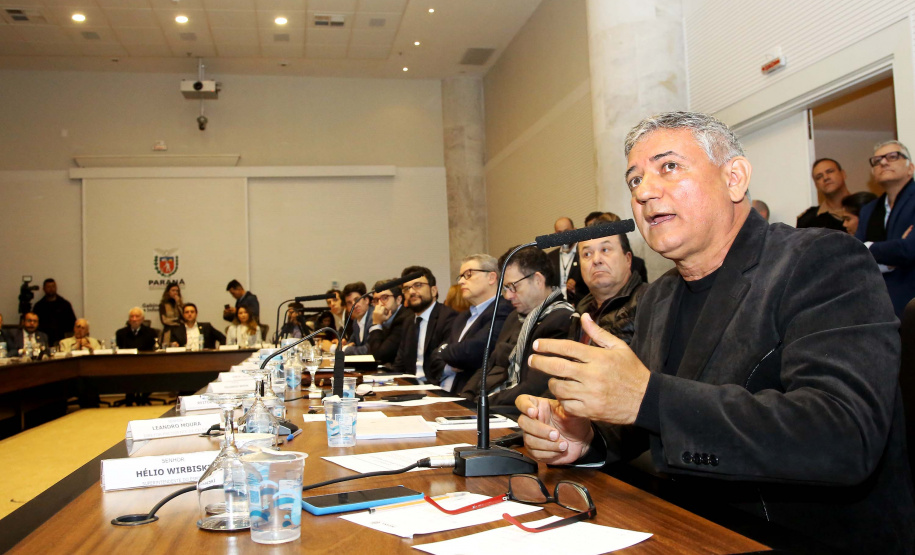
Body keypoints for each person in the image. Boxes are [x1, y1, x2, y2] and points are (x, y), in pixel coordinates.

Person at [515, 111, 914, 554]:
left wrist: (646, 398)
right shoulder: (659, 296)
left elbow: (844, 436)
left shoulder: (822, 260)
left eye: (669, 167)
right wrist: (586, 438)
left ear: (734, 178)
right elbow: (648, 418)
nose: (644, 192)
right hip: (679, 527)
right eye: (633, 181)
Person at [459, 246, 574, 406]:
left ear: (538, 280)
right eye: (506, 288)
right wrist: (464, 399)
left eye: (513, 287)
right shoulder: (515, 317)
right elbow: (488, 365)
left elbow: (533, 388)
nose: (508, 296)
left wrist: (482, 404)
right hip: (491, 404)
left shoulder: (560, 319)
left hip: (516, 411)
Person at [430, 254, 512, 393]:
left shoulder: (503, 309)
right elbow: (433, 358)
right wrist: (449, 363)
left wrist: (444, 351)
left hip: (468, 397)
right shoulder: (462, 317)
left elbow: (473, 352)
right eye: (460, 276)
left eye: (468, 275)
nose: (461, 281)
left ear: (491, 278)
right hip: (441, 392)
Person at [856, 140, 915, 316]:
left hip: (911, 303)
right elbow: (855, 257)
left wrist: (868, 247)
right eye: (877, 160)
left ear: (910, 168)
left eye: (893, 156)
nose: (883, 162)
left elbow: (910, 249)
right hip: (877, 306)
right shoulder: (869, 210)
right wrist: (891, 259)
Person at [570, 213, 646, 345]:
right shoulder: (581, 310)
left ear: (628, 259)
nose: (596, 260)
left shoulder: (649, 303)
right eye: (587, 254)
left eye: (605, 250)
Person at [390, 266, 457, 381]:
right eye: (406, 288)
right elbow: (399, 364)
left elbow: (444, 362)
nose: (411, 292)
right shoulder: (408, 321)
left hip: (436, 385)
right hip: (411, 386)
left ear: (433, 290)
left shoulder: (448, 318)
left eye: (418, 285)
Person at [796, 158, 849, 231]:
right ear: (816, 185)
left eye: (830, 171)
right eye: (819, 177)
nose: (825, 178)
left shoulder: (866, 207)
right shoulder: (807, 221)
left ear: (843, 174)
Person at [366, 279, 410, 364]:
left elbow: (379, 356)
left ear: (398, 300)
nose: (380, 304)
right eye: (376, 300)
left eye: (384, 298)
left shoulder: (404, 319)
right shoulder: (386, 319)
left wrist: (376, 324)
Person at [547, 217, 588, 304]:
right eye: (559, 233)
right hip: (556, 308)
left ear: (575, 231)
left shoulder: (585, 253)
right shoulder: (550, 257)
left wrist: (575, 289)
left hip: (580, 307)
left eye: (566, 232)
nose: (563, 236)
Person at [32, 278, 77, 347]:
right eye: (48, 287)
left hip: (62, 338)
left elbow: (72, 323)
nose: (51, 289)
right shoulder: (39, 306)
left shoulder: (64, 304)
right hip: (44, 339)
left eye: (53, 286)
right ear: (44, 289)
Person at [340, 281, 374, 355]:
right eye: (349, 303)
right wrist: (344, 346)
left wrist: (345, 349)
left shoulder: (374, 318)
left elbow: (369, 349)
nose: (354, 305)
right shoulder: (356, 322)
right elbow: (350, 343)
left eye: (357, 300)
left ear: (366, 300)